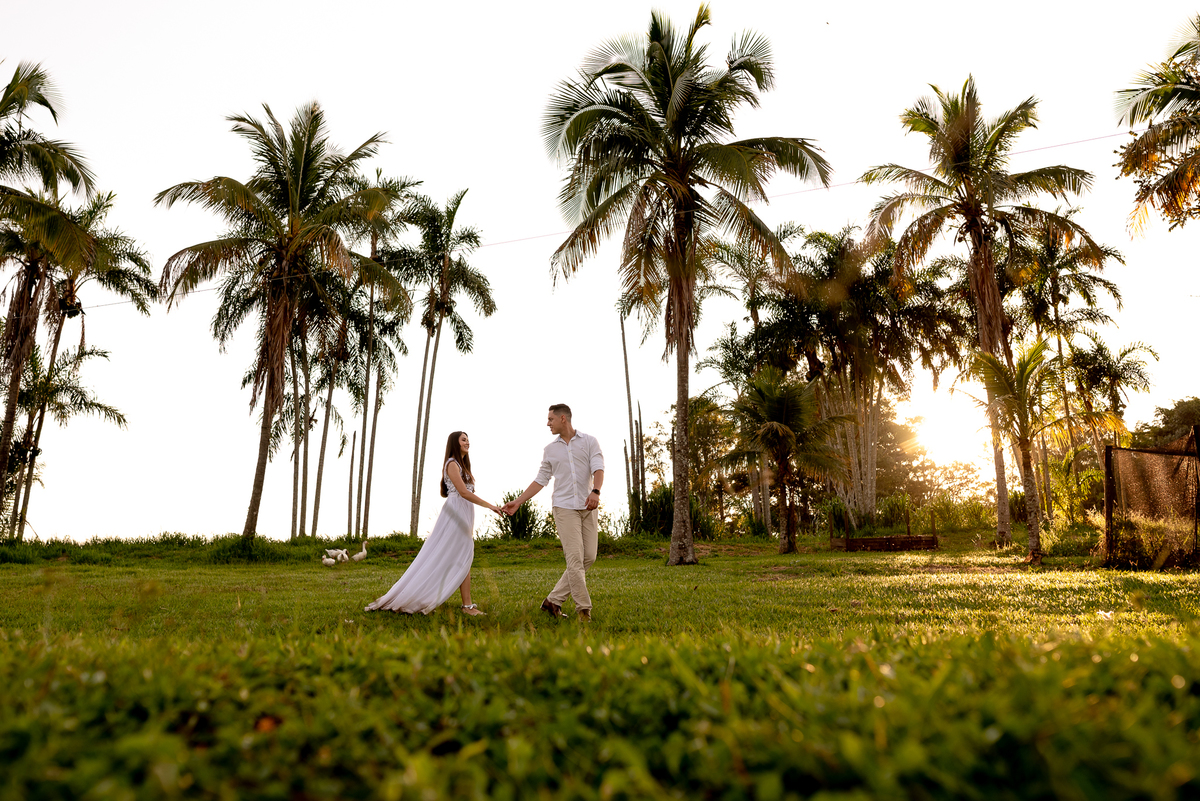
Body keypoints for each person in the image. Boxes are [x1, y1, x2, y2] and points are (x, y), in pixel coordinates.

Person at [365, 431, 500, 616]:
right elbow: (463, 492)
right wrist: (491, 506)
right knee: (462, 554)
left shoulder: (463, 465)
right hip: (456, 513)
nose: (467, 442)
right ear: (455, 443)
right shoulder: (452, 464)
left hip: (464, 512)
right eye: (463, 439)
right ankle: (467, 606)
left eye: (468, 439)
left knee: (463, 555)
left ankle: (467, 605)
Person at [502, 404, 604, 622]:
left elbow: (598, 467)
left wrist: (596, 491)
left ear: (563, 418)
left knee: (589, 557)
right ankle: (584, 611)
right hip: (564, 508)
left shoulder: (589, 441)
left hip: (588, 506)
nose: (547, 423)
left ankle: (552, 601)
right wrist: (518, 502)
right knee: (575, 560)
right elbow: (541, 479)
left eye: (551, 419)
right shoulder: (550, 450)